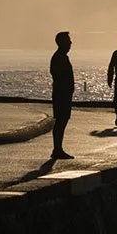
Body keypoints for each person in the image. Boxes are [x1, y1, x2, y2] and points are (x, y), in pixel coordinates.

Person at [49, 30, 76, 160]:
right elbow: (59, 76)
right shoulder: (59, 57)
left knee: (62, 121)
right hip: (61, 94)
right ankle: (57, 149)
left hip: (63, 93)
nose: (71, 43)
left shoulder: (61, 56)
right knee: (61, 121)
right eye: (68, 40)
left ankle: (58, 148)